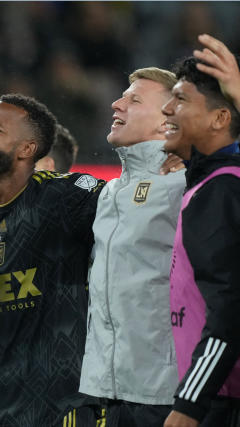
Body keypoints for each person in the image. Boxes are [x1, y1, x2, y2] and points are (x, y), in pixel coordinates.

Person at [0, 93, 105, 426]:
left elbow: (127, 210)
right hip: (0, 407)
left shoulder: (60, 195)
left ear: (26, 149)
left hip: (60, 407)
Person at [78, 67, 185, 426]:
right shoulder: (110, 191)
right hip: (108, 390)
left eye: (134, 99)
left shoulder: (184, 180)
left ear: (166, 122)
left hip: (164, 392)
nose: (116, 103)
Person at [161, 38, 240, 427]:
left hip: (223, 399)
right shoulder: (214, 183)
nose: (167, 109)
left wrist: (189, 403)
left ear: (220, 118)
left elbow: (230, 307)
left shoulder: (220, 190)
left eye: (181, 99)